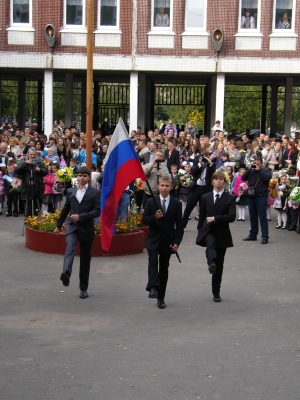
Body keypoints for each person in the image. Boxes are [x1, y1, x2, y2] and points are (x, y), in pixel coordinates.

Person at [54, 166, 100, 299]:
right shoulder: (70, 191)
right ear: (77, 177)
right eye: (80, 175)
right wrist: (58, 225)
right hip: (71, 226)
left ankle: (83, 288)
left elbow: (97, 211)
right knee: (70, 247)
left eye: (85, 176)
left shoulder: (95, 193)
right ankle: (66, 273)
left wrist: (82, 216)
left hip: (86, 228)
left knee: (85, 259)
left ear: (88, 177)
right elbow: (66, 208)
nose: (82, 178)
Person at [142, 175, 184, 309]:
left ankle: (161, 297)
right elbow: (144, 219)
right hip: (153, 239)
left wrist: (177, 243)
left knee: (164, 268)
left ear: (171, 187)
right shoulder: (151, 202)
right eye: (162, 185)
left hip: (168, 241)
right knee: (153, 261)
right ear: (158, 186)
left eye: (167, 186)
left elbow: (179, 227)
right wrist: (154, 217)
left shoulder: (176, 204)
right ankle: (153, 287)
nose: (164, 188)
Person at [196, 171, 236, 302]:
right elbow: (202, 215)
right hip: (207, 230)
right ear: (212, 181)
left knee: (219, 264)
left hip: (222, 233)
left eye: (221, 179)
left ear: (224, 182)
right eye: (216, 179)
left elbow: (231, 217)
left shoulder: (229, 198)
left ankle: (216, 291)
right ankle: (210, 262)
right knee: (210, 244)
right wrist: (200, 230)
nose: (219, 181)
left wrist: (215, 218)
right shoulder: (205, 197)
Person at [242, 157, 272, 244]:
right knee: (252, 216)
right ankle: (253, 234)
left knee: (262, 217)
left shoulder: (266, 171)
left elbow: (267, 178)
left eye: (258, 163)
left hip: (261, 196)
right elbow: (243, 178)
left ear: (262, 164)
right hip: (251, 196)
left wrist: (260, 170)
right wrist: (249, 169)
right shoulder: (251, 171)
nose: (256, 165)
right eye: (255, 163)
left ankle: (265, 236)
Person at [182, 150, 216, 228]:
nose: (205, 157)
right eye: (204, 156)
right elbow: (193, 171)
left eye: (207, 155)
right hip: (196, 188)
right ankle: (183, 224)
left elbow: (213, 171)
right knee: (189, 206)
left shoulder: (210, 164)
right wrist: (199, 164)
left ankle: (200, 226)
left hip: (206, 189)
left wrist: (209, 163)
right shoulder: (197, 162)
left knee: (203, 208)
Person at [15, 147, 48, 216]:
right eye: (31, 154)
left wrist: (40, 170)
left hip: (37, 188)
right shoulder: (23, 161)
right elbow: (17, 171)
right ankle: (28, 224)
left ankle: (37, 224)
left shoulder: (40, 162)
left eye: (34, 154)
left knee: (37, 209)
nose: (32, 156)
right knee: (28, 210)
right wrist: (24, 164)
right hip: (27, 188)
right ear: (28, 154)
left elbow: (46, 172)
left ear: (36, 154)